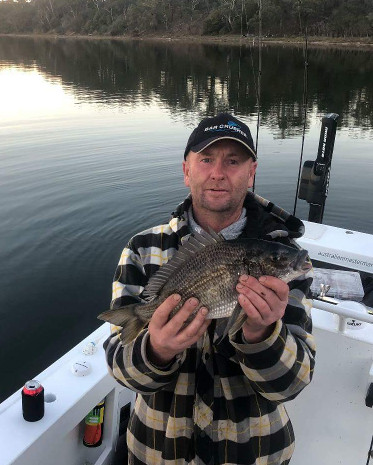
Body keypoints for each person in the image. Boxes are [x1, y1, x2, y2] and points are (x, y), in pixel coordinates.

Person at [104, 113, 315, 465]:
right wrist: (156, 349)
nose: (218, 173)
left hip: (256, 454)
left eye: (233, 161)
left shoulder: (283, 256)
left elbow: (291, 385)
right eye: (206, 160)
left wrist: (262, 333)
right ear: (187, 170)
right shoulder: (142, 249)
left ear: (252, 172)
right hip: (156, 452)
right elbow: (119, 369)